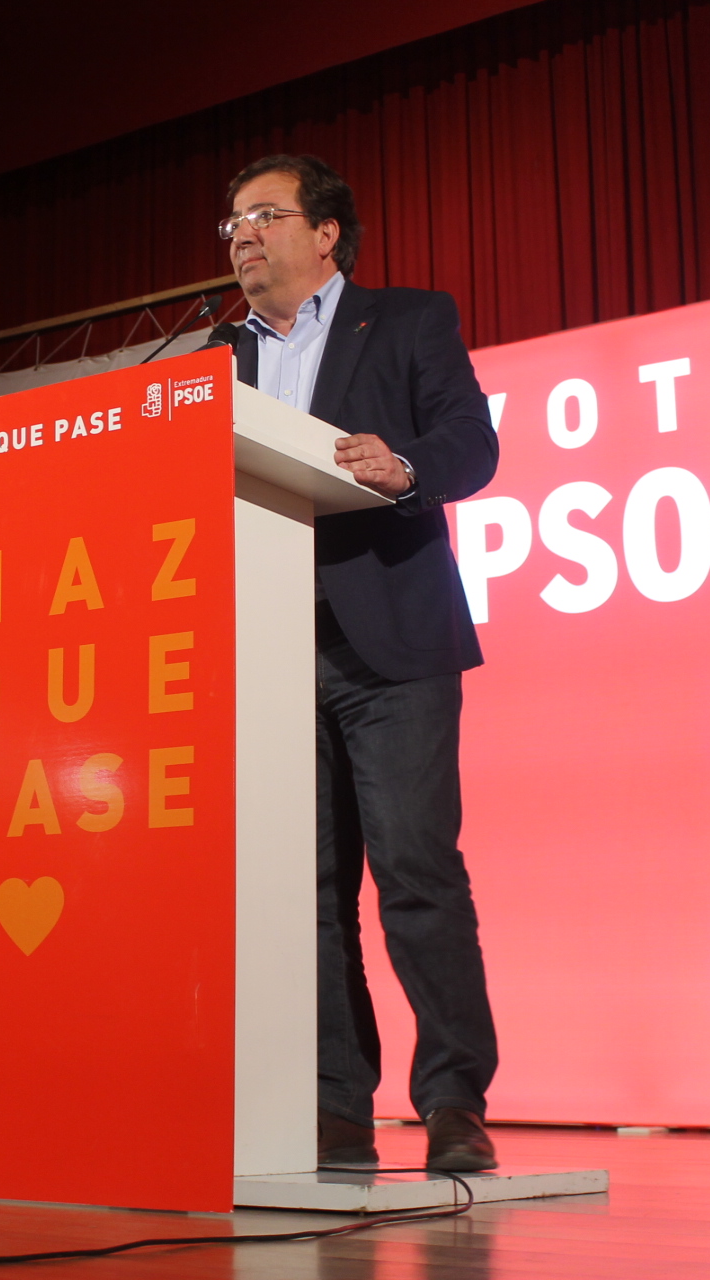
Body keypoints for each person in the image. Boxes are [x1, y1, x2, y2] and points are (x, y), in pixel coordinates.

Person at [222, 155, 501, 1172]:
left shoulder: (411, 319)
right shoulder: (217, 356)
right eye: (232, 224)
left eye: (264, 215)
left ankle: (454, 1100)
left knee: (416, 871)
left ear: (327, 230)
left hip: (390, 643)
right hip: (271, 652)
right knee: (309, 887)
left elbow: (472, 443)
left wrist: (407, 467)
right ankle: (336, 1105)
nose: (243, 236)